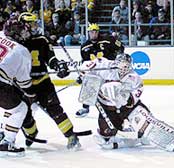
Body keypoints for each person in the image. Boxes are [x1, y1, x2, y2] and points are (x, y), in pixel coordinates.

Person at [78, 54, 174, 151]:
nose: (124, 69)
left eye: (126, 67)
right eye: (121, 66)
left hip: (128, 109)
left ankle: (173, 137)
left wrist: (121, 95)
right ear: (116, 63)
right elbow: (84, 67)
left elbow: (132, 101)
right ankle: (133, 140)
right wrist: (83, 73)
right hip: (108, 110)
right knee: (106, 139)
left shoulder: (135, 79)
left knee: (146, 126)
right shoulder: (104, 65)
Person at [17, 12, 81, 150]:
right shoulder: (15, 42)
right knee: (22, 113)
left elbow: (50, 58)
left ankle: (71, 136)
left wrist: (58, 66)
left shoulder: (42, 40)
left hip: (42, 83)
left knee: (55, 110)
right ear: (24, 25)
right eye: (32, 24)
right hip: (23, 85)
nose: (35, 26)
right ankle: (31, 132)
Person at [0, 18, 34, 156]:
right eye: (21, 31)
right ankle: (7, 142)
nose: (24, 34)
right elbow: (24, 82)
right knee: (21, 108)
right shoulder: (22, 51)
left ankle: (2, 133)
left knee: (11, 106)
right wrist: (31, 94)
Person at [76, 23, 124, 117]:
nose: (93, 34)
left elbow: (121, 48)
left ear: (98, 32)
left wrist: (118, 59)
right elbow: (86, 63)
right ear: (88, 33)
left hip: (109, 70)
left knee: (111, 88)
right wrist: (82, 75)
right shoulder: (84, 46)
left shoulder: (109, 39)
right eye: (91, 32)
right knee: (89, 85)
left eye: (95, 32)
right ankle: (85, 108)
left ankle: (117, 107)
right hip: (95, 70)